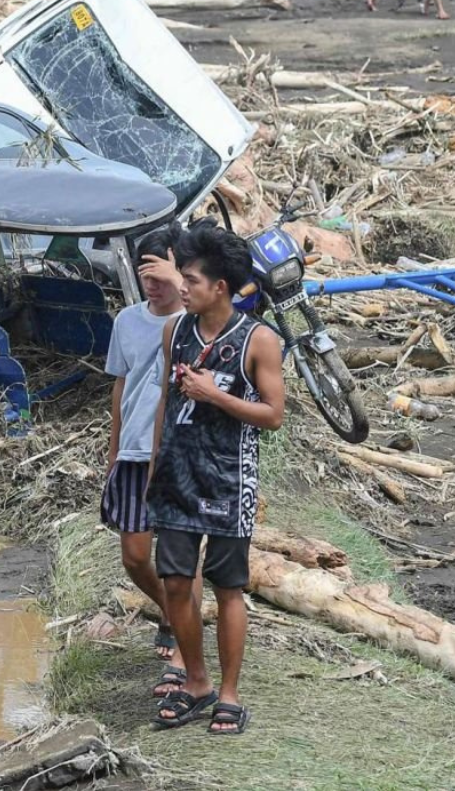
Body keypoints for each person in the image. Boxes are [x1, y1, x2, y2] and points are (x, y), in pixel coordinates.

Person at [146, 222, 285, 736]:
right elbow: (167, 399)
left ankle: (229, 693)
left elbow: (273, 415)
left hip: (229, 480)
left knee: (228, 587)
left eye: (191, 279)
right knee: (177, 583)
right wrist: (154, 467)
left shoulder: (259, 340)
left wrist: (217, 396)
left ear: (219, 288)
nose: (181, 287)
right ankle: (197, 682)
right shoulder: (174, 332)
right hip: (177, 477)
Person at [103, 225, 199, 698]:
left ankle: (184, 652)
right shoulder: (127, 322)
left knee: (182, 561)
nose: (151, 284)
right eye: (145, 275)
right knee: (136, 557)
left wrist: (179, 283)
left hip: (180, 454)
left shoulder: (196, 320)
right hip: (135, 451)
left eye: (159, 273)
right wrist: (114, 449)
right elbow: (121, 387)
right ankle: (171, 610)